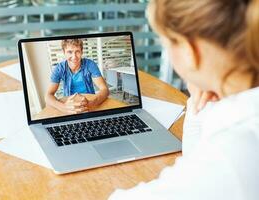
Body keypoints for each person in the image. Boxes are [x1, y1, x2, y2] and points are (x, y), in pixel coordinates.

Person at [110, 0, 259, 199]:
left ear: (190, 50)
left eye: (166, 43)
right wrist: (197, 107)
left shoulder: (230, 157)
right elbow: (196, 167)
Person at [45, 39, 109, 114]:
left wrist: (92, 104)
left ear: (81, 52)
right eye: (70, 52)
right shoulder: (59, 68)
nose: (74, 56)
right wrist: (64, 107)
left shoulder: (90, 64)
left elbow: (105, 89)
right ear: (64, 52)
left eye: (77, 51)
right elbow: (48, 96)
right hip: (69, 103)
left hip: (88, 102)